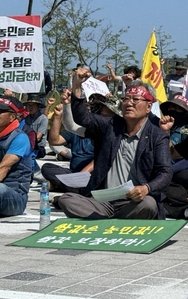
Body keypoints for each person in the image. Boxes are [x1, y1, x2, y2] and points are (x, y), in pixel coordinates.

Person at [57, 69, 172, 220]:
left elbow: (165, 172)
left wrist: (146, 188)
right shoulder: (110, 126)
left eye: (136, 99)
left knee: (149, 204)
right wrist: (77, 86)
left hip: (135, 201)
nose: (129, 103)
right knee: (67, 200)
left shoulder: (157, 135)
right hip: (104, 201)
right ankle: (113, 219)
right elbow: (82, 118)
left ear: (148, 107)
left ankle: (103, 220)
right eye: (126, 99)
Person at [43, 100, 95, 193]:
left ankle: (69, 187)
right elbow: (54, 141)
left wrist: (81, 175)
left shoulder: (100, 130)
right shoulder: (75, 129)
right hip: (73, 173)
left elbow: (100, 160)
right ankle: (74, 188)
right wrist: (57, 116)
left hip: (91, 174)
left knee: (94, 181)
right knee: (47, 168)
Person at [22, 93, 48, 159]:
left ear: (38, 106)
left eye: (33, 105)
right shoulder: (25, 118)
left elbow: (38, 137)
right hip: (26, 145)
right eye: (28, 105)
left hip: (38, 147)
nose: (30, 107)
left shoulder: (43, 119)